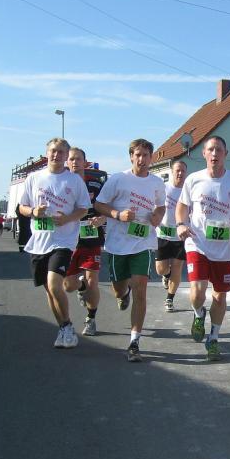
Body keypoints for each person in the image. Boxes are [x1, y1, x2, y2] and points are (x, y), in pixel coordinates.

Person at [176, 135, 230, 361]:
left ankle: (213, 338)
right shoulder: (193, 180)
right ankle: (198, 313)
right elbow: (182, 206)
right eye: (210, 150)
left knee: (219, 297)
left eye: (219, 150)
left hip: (225, 249)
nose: (214, 154)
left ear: (225, 154)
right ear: (204, 154)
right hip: (197, 243)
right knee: (198, 292)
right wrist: (181, 224)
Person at [94, 138, 166, 361]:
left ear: (151, 158)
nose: (141, 159)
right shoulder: (118, 179)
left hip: (143, 242)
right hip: (118, 243)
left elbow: (161, 205)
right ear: (131, 157)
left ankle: (134, 342)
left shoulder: (157, 182)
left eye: (146, 155)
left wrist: (158, 215)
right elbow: (99, 204)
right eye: (138, 155)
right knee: (119, 289)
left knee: (140, 290)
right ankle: (122, 294)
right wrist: (117, 214)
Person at [18, 138, 90, 348]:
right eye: (53, 151)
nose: (56, 155)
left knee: (54, 284)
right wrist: (33, 211)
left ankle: (67, 327)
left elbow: (84, 208)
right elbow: (22, 207)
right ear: (46, 153)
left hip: (63, 241)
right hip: (39, 241)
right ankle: (64, 328)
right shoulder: (34, 178)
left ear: (66, 156)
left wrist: (67, 218)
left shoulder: (74, 180)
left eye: (61, 152)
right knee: (49, 291)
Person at [63, 147, 107, 337]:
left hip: (91, 238)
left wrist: (102, 219)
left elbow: (107, 207)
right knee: (68, 285)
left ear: (85, 162)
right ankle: (81, 288)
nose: (75, 162)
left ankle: (91, 319)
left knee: (92, 281)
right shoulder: (61, 183)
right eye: (71, 159)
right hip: (68, 239)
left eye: (78, 159)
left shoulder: (95, 184)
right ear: (67, 162)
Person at [155, 160, 188, 313]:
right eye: (177, 170)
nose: (180, 173)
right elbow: (154, 206)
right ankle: (166, 274)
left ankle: (170, 298)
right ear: (172, 171)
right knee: (160, 269)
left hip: (180, 237)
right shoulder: (163, 188)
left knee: (177, 268)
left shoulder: (188, 191)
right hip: (162, 234)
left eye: (183, 171)